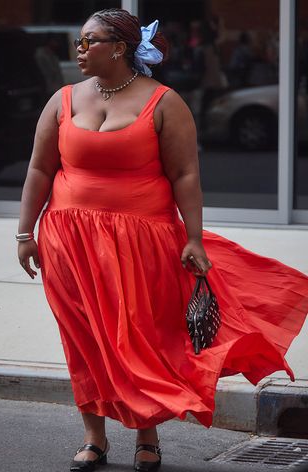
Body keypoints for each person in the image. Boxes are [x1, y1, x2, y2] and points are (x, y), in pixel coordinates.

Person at [16, 8, 308, 472]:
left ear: (119, 48)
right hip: (68, 240)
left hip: (141, 242)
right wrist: (24, 232)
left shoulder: (165, 102)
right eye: (80, 40)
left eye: (90, 40)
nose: (79, 48)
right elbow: (39, 169)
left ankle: (146, 438)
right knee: (83, 339)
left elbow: (186, 174)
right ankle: (94, 438)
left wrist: (194, 237)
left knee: (138, 337)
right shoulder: (63, 99)